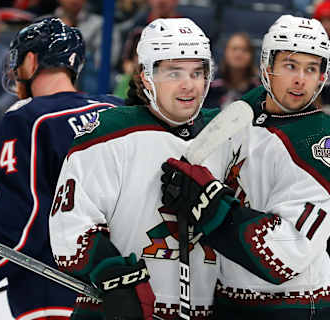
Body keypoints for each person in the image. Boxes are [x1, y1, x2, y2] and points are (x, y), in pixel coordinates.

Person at [160, 14, 330, 319]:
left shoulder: (326, 147)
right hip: (232, 300)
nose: (300, 80)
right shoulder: (249, 108)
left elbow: (280, 258)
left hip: (299, 308)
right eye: (290, 66)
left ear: (323, 75)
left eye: (311, 69)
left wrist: (210, 207)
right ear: (267, 66)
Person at [48, 18, 229, 320]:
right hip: (119, 310)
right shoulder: (108, 133)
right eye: (174, 72)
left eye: (198, 72)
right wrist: (117, 280)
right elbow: (71, 226)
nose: (189, 84)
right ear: (146, 76)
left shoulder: (227, 136)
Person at [0, 17, 126, 319]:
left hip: (53, 293)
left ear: (32, 59)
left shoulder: (28, 118)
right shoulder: (117, 109)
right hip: (129, 294)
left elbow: (18, 225)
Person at [203, 32, 260, 109]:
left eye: (244, 50)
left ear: (252, 55)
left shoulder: (259, 88)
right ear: (225, 52)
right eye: (234, 49)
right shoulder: (210, 84)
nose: (238, 54)